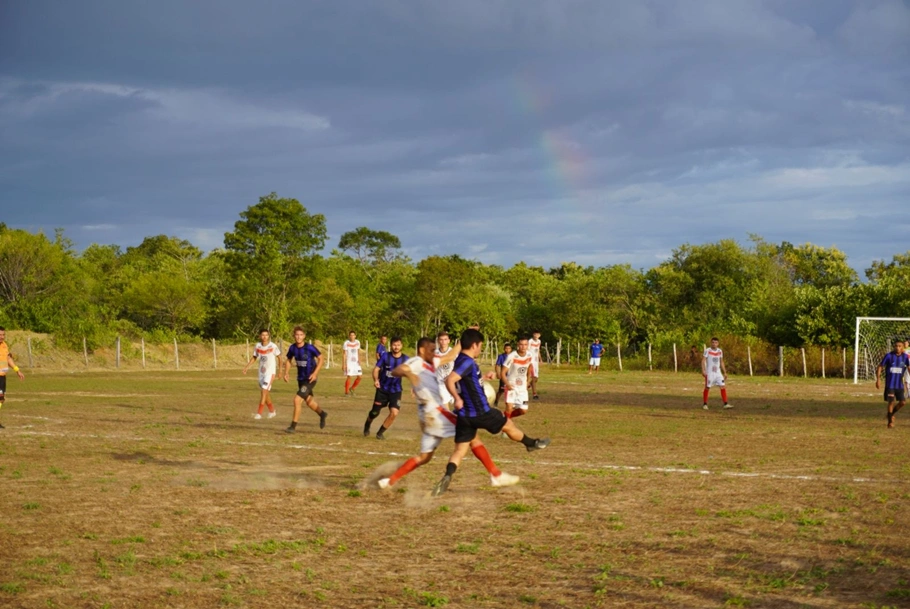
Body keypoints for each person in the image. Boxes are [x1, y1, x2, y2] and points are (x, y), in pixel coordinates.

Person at [376, 337, 518, 489]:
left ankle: (389, 481)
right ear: (422, 350)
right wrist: (410, 374)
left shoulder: (430, 364)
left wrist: (464, 338)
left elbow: (449, 356)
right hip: (436, 414)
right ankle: (495, 475)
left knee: (424, 457)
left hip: (428, 418)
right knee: (472, 435)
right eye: (431, 350)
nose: (434, 352)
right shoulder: (416, 362)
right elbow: (399, 370)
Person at [431, 329, 550, 496]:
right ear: (474, 345)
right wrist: (456, 398)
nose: (480, 349)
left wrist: (483, 378)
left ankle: (447, 475)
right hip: (480, 411)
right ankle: (530, 443)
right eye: (480, 346)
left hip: (464, 416)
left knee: (460, 449)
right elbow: (450, 379)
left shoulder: (461, 361)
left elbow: (464, 381)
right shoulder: (467, 362)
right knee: (507, 424)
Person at [283, 327, 327, 433]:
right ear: (294, 336)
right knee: (309, 401)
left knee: (297, 400)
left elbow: (321, 358)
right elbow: (288, 360)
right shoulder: (292, 348)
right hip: (301, 379)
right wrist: (286, 372)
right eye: (296, 335)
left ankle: (293, 427)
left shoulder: (310, 348)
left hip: (310, 379)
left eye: (301, 335)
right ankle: (322, 414)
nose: (298, 337)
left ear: (304, 336)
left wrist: (315, 373)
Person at [363, 336, 407, 440]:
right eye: (394, 345)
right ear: (391, 345)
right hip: (382, 389)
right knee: (375, 412)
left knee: (394, 412)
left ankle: (380, 433)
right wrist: (376, 380)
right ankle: (367, 424)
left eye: (398, 345)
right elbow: (376, 369)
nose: (396, 347)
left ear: (402, 346)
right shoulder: (385, 357)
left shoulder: (405, 359)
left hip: (396, 390)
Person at [242, 329, 280, 419]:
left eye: (266, 335)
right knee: (265, 394)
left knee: (263, 391)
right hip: (261, 373)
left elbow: (280, 357)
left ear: (269, 336)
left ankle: (259, 414)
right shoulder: (258, 346)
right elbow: (254, 357)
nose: (264, 337)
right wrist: (246, 367)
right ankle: (272, 411)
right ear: (260, 336)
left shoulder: (273, 346)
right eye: (263, 335)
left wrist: (280, 371)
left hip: (270, 373)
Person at [877, 340, 910, 428]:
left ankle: (890, 414)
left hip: (899, 384)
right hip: (890, 384)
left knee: (902, 402)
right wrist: (878, 379)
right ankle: (890, 422)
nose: (897, 348)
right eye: (896, 346)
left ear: (903, 347)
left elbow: (909, 367)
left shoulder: (905, 357)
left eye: (899, 346)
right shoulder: (889, 356)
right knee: (891, 402)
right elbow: (880, 366)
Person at [501, 337, 533, 419]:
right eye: (521, 344)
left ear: (528, 345)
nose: (523, 347)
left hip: (522, 388)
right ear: (518, 345)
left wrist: (528, 381)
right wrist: (507, 384)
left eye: (525, 344)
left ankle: (504, 419)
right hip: (511, 386)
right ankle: (505, 428)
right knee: (509, 407)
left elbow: (529, 367)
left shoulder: (529, 355)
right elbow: (503, 373)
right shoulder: (512, 356)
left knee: (523, 410)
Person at [0, 327, 25, 429]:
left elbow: (8, 359)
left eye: (3, 335)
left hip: (2, 377)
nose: (2, 337)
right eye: (0, 335)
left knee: (1, 399)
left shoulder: (4, 345)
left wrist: (17, 370)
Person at [702, 337, 731, 410]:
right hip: (710, 373)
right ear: (710, 343)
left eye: (715, 343)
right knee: (707, 387)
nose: (714, 344)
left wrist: (724, 372)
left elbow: (721, 361)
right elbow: (703, 361)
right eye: (712, 342)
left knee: (722, 386)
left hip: (718, 372)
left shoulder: (720, 351)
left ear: (718, 343)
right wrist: (703, 370)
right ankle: (705, 404)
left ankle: (725, 403)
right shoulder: (707, 350)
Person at [434, 331, 456, 405]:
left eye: (445, 339)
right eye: (441, 339)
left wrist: (451, 376)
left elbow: (459, 366)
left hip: (453, 383)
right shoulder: (435, 353)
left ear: (449, 341)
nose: (443, 342)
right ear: (438, 341)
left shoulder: (453, 352)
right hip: (441, 383)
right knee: (445, 408)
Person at [343, 331, 362, 397]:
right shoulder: (346, 343)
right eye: (351, 335)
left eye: (353, 335)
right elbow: (344, 354)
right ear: (349, 336)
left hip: (356, 362)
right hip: (349, 362)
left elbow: (358, 351)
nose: (352, 336)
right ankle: (346, 392)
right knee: (349, 376)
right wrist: (344, 364)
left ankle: (352, 388)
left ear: (355, 336)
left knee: (360, 377)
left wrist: (359, 359)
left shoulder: (357, 342)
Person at [493, 342, 513, 406]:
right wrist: (498, 373)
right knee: (501, 390)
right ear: (504, 349)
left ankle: (511, 403)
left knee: (512, 389)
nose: (507, 350)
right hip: (504, 376)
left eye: (509, 348)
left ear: (511, 349)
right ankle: (496, 401)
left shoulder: (513, 356)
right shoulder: (501, 356)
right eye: (506, 348)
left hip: (511, 376)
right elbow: (497, 365)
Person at [528, 331, 542, 400]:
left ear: (539, 335)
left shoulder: (539, 341)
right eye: (535, 334)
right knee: (533, 378)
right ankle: (534, 394)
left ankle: (528, 384)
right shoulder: (530, 341)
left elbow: (538, 350)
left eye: (538, 334)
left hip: (536, 362)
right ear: (533, 334)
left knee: (536, 379)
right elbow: (527, 350)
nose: (536, 335)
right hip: (531, 361)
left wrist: (540, 359)